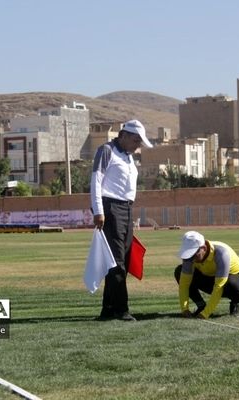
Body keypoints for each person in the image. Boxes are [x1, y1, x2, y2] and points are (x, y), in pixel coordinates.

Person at [90, 119, 153, 321]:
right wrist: (99, 211)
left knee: (122, 259)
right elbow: (96, 181)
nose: (137, 146)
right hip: (111, 208)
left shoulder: (128, 157)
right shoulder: (106, 150)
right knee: (117, 261)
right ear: (123, 135)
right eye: (135, 141)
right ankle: (121, 309)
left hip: (126, 210)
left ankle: (108, 308)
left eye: (139, 143)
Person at [174, 231, 239, 319]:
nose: (192, 259)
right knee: (179, 271)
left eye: (194, 254)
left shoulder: (221, 253)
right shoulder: (190, 258)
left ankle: (236, 304)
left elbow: (219, 286)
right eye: (189, 255)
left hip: (232, 281)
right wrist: (184, 309)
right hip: (211, 278)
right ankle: (201, 305)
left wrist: (205, 314)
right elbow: (184, 284)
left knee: (234, 284)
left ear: (204, 248)